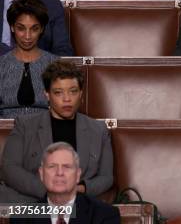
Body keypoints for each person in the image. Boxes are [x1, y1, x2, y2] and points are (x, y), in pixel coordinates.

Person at [0, 61, 114, 202]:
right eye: (58, 92)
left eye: (73, 91)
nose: (67, 99)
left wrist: (80, 188)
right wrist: (49, 190)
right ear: (47, 95)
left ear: (81, 94)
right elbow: (9, 169)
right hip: (33, 202)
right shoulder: (25, 125)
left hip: (78, 204)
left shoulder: (99, 130)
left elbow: (106, 177)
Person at [9, 142, 120, 223]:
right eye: (52, 167)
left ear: (77, 175)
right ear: (41, 174)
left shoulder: (105, 215)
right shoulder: (21, 218)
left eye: (67, 167)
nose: (60, 173)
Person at [0, 0, 57, 118]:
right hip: (7, 133)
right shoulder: (2, 65)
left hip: (45, 131)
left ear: (41, 29)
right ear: (12, 27)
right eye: (21, 28)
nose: (27, 36)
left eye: (34, 29)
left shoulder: (54, 64)